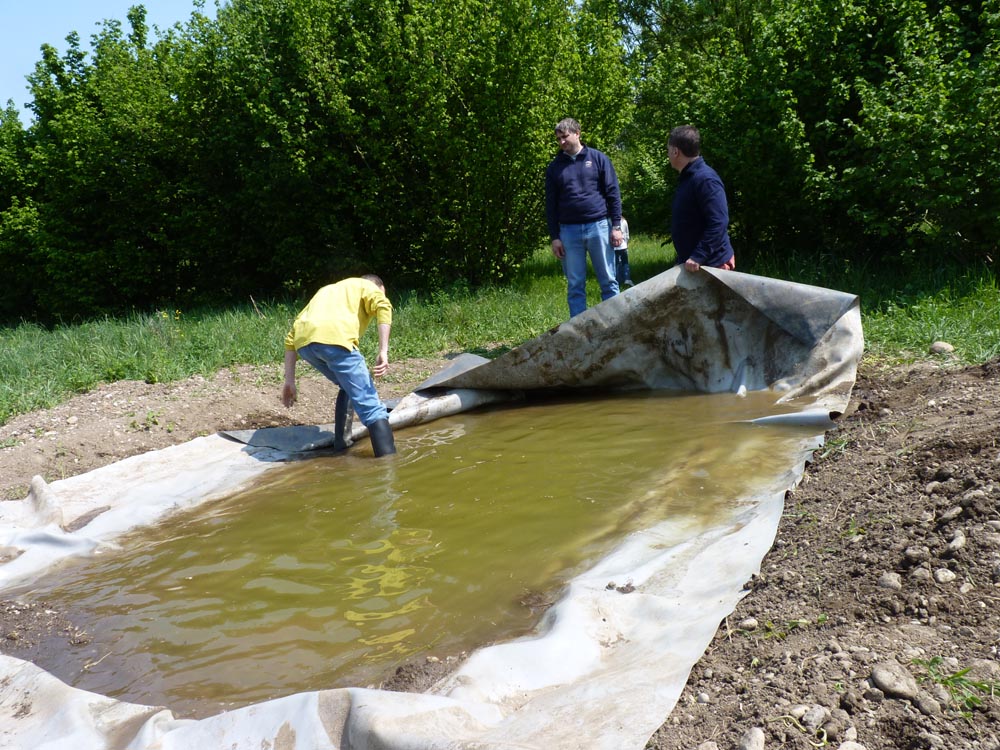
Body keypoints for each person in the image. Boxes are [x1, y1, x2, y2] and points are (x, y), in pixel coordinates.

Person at [281, 274, 396, 456]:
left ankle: (342, 446)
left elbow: (290, 339)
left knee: (346, 384)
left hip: (304, 345)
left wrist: (289, 381)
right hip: (335, 340)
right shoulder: (368, 286)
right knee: (372, 407)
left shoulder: (327, 291)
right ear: (379, 288)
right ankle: (389, 466)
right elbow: (384, 306)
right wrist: (383, 351)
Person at [545, 117, 624, 317]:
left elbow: (613, 193)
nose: (562, 142)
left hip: (599, 226)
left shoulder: (598, 158)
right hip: (569, 231)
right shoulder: (555, 167)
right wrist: (555, 237)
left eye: (565, 137)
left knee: (608, 279)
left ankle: (616, 323)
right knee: (575, 284)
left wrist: (616, 226)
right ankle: (579, 332)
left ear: (577, 133)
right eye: (558, 139)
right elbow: (550, 205)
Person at [667, 125, 736, 273]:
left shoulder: (706, 179)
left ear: (675, 151)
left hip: (712, 266)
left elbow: (719, 222)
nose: (668, 155)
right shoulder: (688, 179)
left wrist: (699, 256)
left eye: (668, 150)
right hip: (696, 265)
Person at [614, 215, 634, 288]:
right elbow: (627, 234)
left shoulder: (611, 221)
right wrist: (626, 243)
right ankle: (627, 278)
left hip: (614, 247)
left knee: (616, 263)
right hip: (623, 246)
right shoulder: (624, 221)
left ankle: (618, 280)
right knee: (625, 262)